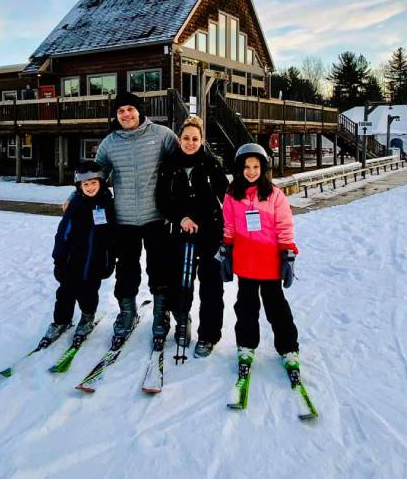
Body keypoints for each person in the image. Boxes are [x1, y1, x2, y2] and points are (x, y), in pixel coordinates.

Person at [74, 91, 179, 338]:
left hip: (157, 216)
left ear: (140, 111)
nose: (126, 114)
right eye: (121, 111)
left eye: (130, 109)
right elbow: (94, 175)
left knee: (159, 267)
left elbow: (184, 160)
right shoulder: (110, 142)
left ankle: (161, 313)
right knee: (126, 269)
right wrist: (73, 197)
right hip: (124, 219)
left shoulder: (162, 135)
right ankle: (127, 312)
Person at [218, 143, 301, 371]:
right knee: (246, 307)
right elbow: (229, 227)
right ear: (239, 168)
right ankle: (246, 345)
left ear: (262, 168)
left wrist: (288, 254)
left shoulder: (274, 194)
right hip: (246, 263)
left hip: (269, 262)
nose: (251, 171)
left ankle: (288, 348)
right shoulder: (232, 195)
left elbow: (284, 226)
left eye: (255, 166)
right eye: (246, 167)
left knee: (276, 307)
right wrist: (226, 251)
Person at [155, 115, 229, 357]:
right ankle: (182, 323)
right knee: (179, 281)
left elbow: (227, 198)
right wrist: (181, 218)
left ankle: (208, 335)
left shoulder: (211, 164)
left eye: (195, 138)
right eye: (186, 138)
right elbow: (162, 200)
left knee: (210, 285)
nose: (190, 142)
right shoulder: (169, 164)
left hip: (209, 233)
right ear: (179, 139)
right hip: (180, 232)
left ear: (202, 140)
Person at [46, 161, 115, 342]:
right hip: (71, 261)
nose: (90, 187)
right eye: (86, 184)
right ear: (79, 186)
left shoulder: (107, 205)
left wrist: (109, 261)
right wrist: (59, 259)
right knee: (65, 294)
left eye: (94, 183)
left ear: (101, 183)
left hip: (94, 263)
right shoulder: (75, 205)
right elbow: (63, 234)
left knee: (89, 293)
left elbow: (111, 237)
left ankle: (87, 317)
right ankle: (61, 321)